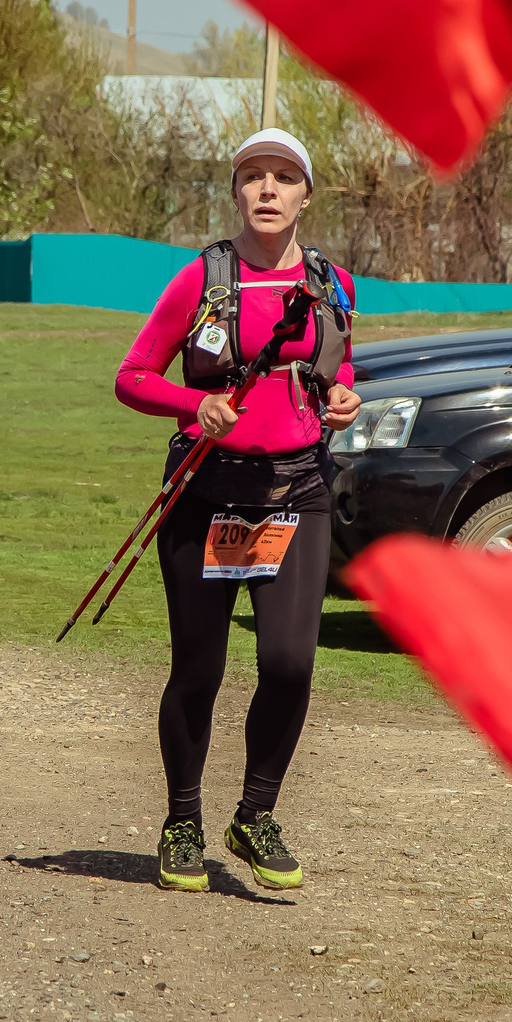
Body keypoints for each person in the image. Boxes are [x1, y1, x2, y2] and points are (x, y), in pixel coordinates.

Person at [114, 128, 360, 894]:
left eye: (283, 177)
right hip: (205, 491)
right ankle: (181, 820)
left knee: (289, 664)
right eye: (252, 175)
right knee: (200, 669)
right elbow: (132, 376)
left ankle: (255, 815)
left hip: (299, 491)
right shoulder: (199, 280)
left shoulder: (334, 283)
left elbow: (338, 363)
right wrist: (197, 404)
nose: (266, 189)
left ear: (305, 195)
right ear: (234, 191)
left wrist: (344, 396)